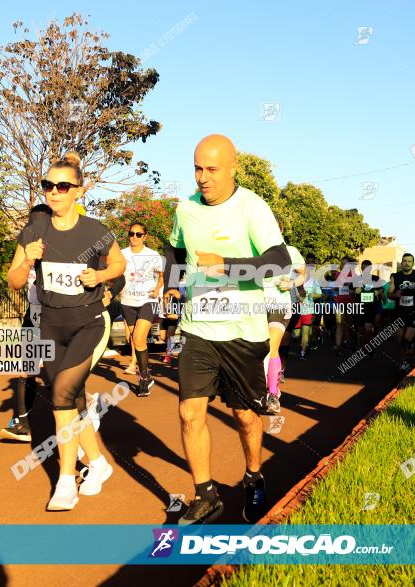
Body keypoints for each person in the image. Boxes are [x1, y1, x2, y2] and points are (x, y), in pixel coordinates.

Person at [162, 134, 291, 524]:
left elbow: (279, 261)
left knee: (245, 417)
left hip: (242, 333)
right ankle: (205, 495)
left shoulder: (251, 207)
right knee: (189, 413)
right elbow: (174, 247)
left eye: (212, 169)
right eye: (197, 168)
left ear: (233, 168)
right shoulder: (185, 209)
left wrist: (229, 266)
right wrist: (171, 279)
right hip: (198, 328)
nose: (203, 177)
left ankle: (253, 477)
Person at [8, 151, 124, 511]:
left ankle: (65, 479)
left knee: (61, 393)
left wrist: (101, 275)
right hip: (50, 325)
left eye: (62, 186)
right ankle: (100, 462)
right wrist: (28, 258)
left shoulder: (95, 230)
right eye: (48, 185)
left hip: (89, 322)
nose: (53, 192)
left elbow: (119, 263)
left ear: (79, 190)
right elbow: (13, 281)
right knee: (70, 402)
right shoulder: (34, 229)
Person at [0, 204, 52, 442]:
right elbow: (14, 281)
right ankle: (22, 421)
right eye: (32, 223)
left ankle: (76, 417)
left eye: (41, 222)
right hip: (34, 313)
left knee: (57, 372)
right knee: (26, 368)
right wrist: (26, 262)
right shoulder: (25, 247)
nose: (35, 227)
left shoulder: (62, 245)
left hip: (57, 314)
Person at [262, 216, 305, 413]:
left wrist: (291, 283)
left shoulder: (291, 251)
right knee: (255, 348)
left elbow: (302, 274)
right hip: (255, 305)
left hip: (279, 304)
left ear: (280, 231)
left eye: (273, 228)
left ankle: (272, 394)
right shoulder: (254, 250)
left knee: (271, 347)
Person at [120, 221, 164, 397]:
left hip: (147, 299)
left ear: (144, 237)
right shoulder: (121, 254)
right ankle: (145, 376)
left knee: (139, 338)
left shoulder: (153, 255)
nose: (134, 237)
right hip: (127, 301)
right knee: (133, 340)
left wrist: (157, 289)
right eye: (132, 234)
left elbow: (162, 276)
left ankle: (144, 378)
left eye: (139, 234)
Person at [388, 253, 415, 370]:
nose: (407, 263)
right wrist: (395, 295)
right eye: (405, 261)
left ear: (413, 263)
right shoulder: (396, 276)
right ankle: (404, 361)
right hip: (399, 311)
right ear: (401, 263)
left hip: (414, 311)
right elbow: (389, 294)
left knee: (407, 338)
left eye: (409, 261)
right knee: (399, 339)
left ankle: (411, 344)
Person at [355, 259, 385, 357]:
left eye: (367, 268)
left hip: (372, 307)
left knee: (368, 329)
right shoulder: (357, 279)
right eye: (363, 268)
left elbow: (382, 293)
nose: (365, 270)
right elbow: (351, 292)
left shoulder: (376, 279)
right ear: (361, 268)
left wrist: (380, 294)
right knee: (361, 331)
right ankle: (365, 347)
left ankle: (368, 348)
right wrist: (355, 291)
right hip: (360, 308)